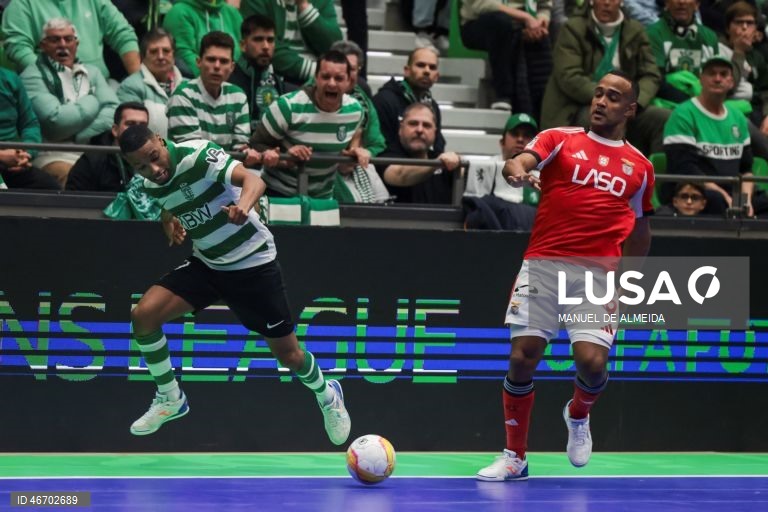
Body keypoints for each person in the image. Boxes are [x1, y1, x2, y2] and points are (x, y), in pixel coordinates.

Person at [117, 123, 351, 445]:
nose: (153, 169)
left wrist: (243, 206)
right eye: (142, 166)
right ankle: (170, 397)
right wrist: (168, 221)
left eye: (154, 157)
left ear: (160, 140)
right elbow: (172, 201)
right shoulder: (149, 184)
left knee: (289, 356)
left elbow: (254, 180)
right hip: (208, 264)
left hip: (253, 263)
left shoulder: (198, 155)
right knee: (143, 316)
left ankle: (328, 394)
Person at [476, 70, 654, 481]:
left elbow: (641, 230)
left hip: (597, 276)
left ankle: (578, 413)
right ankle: (515, 456)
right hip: (543, 263)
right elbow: (521, 160)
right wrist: (515, 168)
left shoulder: (641, 167)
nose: (601, 102)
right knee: (522, 357)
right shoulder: (560, 138)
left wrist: (629, 281)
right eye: (598, 94)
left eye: (613, 97)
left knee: (592, 363)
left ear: (629, 109)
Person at [540, 0, 667, 156]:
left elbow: (651, 74)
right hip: (578, 105)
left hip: (626, 104)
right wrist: (610, 100)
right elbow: (569, 76)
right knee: (599, 117)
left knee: (663, 118)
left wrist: (635, 102)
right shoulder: (573, 28)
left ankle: (654, 171)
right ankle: (597, 169)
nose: (606, 3)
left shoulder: (635, 30)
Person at [249, 50, 367, 199]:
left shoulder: (355, 112)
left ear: (349, 81)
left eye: (338, 78)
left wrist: (355, 152)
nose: (331, 83)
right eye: (325, 77)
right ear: (315, 78)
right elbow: (256, 144)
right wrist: (286, 157)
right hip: (277, 193)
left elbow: (346, 152)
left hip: (323, 197)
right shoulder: (287, 106)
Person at [21, 18, 119, 188]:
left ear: (76, 43)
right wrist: (93, 100)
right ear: (43, 45)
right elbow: (55, 124)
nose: (62, 44)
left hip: (93, 154)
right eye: (54, 39)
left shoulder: (93, 72)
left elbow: (113, 111)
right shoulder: (32, 75)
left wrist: (80, 135)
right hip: (53, 155)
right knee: (75, 179)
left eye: (68, 39)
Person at [663, 56, 765, 216]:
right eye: (712, 73)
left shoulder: (738, 117)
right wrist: (724, 196)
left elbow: (746, 169)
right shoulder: (683, 114)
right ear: (701, 79)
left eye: (723, 74)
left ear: (731, 82)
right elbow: (685, 169)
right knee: (716, 201)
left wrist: (745, 200)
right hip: (695, 191)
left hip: (732, 192)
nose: (717, 79)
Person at [1, 0, 140, 80]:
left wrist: (138, 81)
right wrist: (56, 79)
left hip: (100, 83)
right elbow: (19, 49)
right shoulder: (21, 4)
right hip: (48, 87)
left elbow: (123, 35)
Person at [459, 0, 553, 114]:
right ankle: (503, 95)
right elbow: (482, 4)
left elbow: (544, 5)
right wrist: (525, 17)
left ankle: (540, 110)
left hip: (527, 21)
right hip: (480, 20)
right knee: (501, 23)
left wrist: (541, 21)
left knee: (545, 40)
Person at [167, 32, 251, 152]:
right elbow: (193, 153)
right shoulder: (183, 95)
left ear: (232, 67)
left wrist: (246, 152)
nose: (217, 66)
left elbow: (240, 148)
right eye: (211, 59)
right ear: (198, 62)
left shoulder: (238, 96)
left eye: (224, 61)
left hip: (227, 163)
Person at [463, 113, 540, 230]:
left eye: (527, 135)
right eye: (515, 134)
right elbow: (462, 173)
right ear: (502, 141)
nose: (520, 139)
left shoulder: (544, 175)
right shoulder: (486, 167)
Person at [240, 0, 343, 85]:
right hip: (277, 77)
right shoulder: (256, 2)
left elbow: (333, 45)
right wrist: (318, 71)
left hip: (320, 76)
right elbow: (263, 47)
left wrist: (304, 6)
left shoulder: (322, 1)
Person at [376, 102, 461, 204]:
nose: (420, 130)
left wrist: (458, 163)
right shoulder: (385, 156)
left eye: (427, 125)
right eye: (413, 124)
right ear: (400, 129)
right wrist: (435, 164)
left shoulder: (441, 160)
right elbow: (400, 175)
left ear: (435, 132)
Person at [373, 47, 447, 155]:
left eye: (432, 67)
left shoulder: (433, 106)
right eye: (420, 65)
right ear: (407, 71)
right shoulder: (384, 100)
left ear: (437, 76)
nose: (427, 71)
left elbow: (437, 146)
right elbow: (379, 147)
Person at [66, 102, 150, 192]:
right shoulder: (92, 161)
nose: (137, 130)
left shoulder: (155, 160)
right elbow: (73, 198)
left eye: (142, 125)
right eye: (130, 124)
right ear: (115, 130)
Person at [117, 28, 185, 138]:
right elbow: (131, 135)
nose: (161, 56)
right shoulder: (130, 87)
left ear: (174, 55)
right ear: (142, 57)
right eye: (153, 51)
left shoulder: (189, 86)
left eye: (166, 51)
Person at [0, 67, 59, 190]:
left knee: (49, 186)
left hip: (14, 160)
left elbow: (30, 123)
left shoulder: (10, 79)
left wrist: (26, 153)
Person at [229, 14, 289, 128]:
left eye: (270, 40)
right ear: (243, 45)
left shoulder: (278, 83)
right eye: (258, 39)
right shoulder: (229, 79)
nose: (266, 46)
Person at [162, 0, 243, 78]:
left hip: (236, 81)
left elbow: (243, 50)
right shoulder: (179, 12)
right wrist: (216, 80)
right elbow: (184, 54)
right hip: (195, 81)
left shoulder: (232, 13)